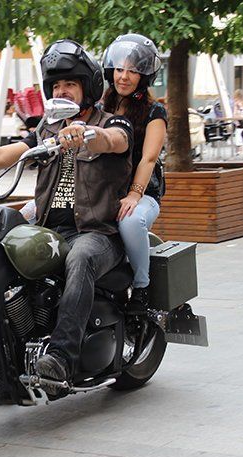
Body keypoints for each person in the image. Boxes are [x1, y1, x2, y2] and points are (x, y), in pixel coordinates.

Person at [0, 39, 132, 390]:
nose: (62, 91)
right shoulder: (45, 130)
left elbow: (113, 140)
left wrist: (87, 135)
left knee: (81, 258)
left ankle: (61, 358)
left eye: (70, 84)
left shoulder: (113, 122)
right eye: (56, 85)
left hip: (98, 234)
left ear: (87, 87)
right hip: (49, 229)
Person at [100, 33, 165, 314]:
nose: (124, 77)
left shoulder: (154, 111)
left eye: (133, 71)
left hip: (143, 192)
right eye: (119, 69)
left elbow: (149, 158)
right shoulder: (101, 106)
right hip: (103, 189)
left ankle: (142, 287)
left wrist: (134, 195)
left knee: (130, 222)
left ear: (144, 75)